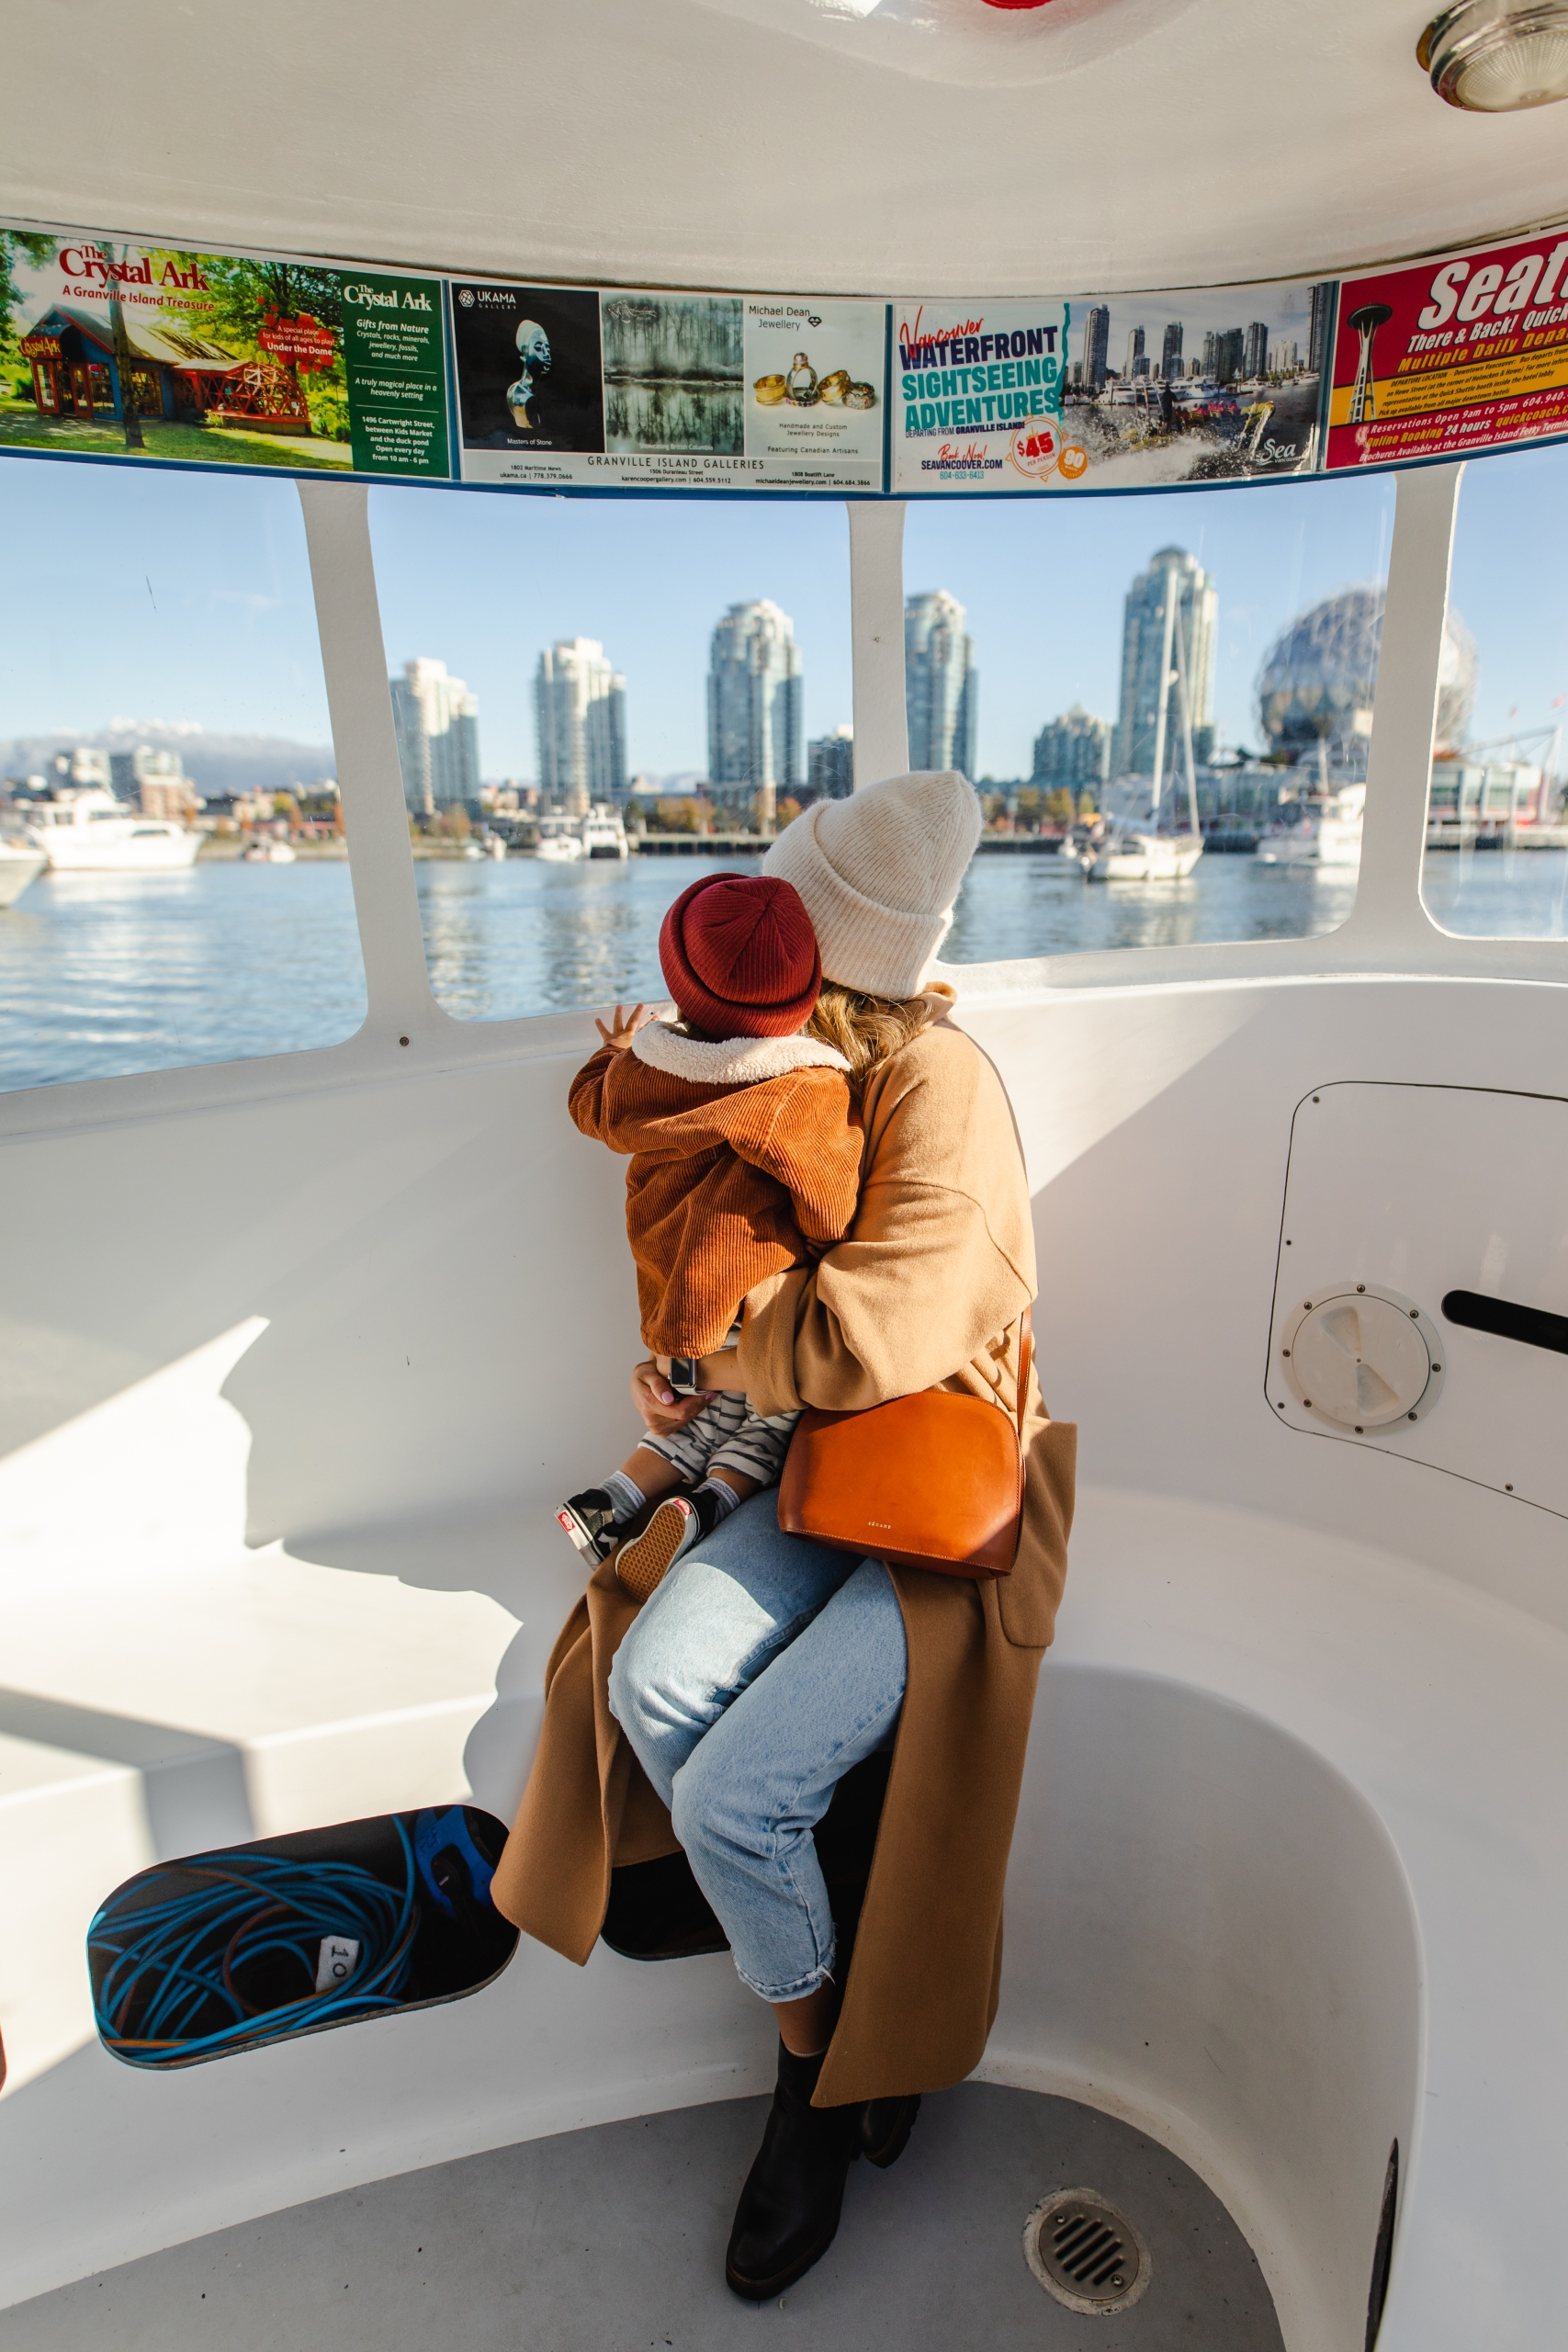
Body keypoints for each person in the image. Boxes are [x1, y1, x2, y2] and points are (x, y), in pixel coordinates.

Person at [490, 770, 1076, 2302]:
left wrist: (716, 1348)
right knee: (650, 1682)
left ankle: (810, 2080)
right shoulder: (787, 1061)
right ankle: (826, 1991)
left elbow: (870, 1334)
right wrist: (698, 1384)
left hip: (951, 1499)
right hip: (816, 1474)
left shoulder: (938, 1084)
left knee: (740, 1794)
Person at [555, 869, 863, 1597]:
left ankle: (611, 1501)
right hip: (754, 1295)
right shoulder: (803, 1089)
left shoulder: (645, 1071)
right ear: (807, 988)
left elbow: (589, 1105)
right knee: (771, 1421)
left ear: (678, 979)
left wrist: (615, 1050)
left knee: (687, 1416)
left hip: (671, 1297)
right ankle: (710, 1505)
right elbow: (829, 1204)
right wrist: (826, 1246)